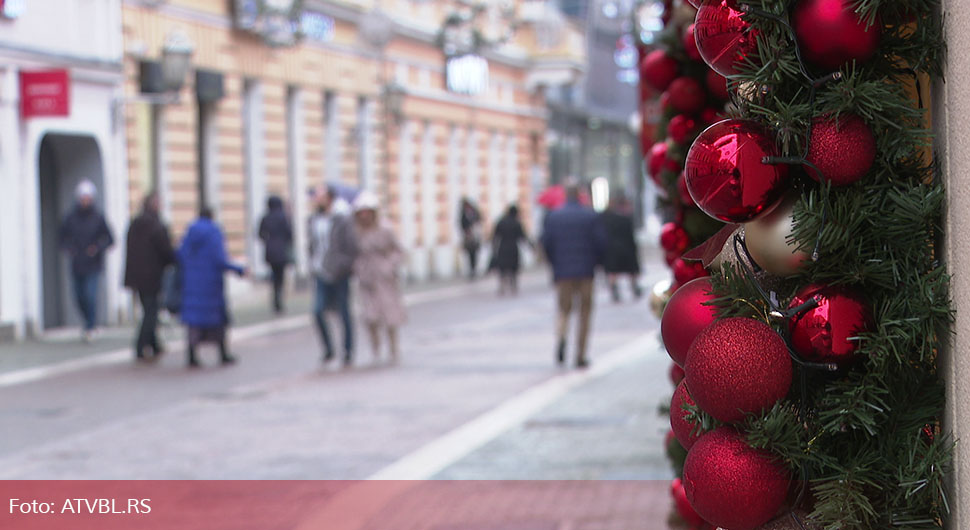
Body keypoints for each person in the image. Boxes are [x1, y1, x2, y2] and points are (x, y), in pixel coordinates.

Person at [540, 181, 607, 369]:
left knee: (563, 310)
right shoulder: (590, 216)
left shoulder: (554, 216)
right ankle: (580, 354)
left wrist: (554, 264)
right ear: (579, 194)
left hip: (563, 273)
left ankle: (561, 337)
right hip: (586, 271)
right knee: (585, 313)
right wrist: (596, 262)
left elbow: (546, 242)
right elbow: (601, 242)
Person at [177, 207, 246, 368]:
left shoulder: (189, 233)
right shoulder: (214, 233)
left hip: (192, 284)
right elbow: (220, 259)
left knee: (194, 322)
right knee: (218, 320)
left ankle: (191, 356)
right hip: (211, 284)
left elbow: (180, 255)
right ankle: (223, 353)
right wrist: (239, 270)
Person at [352, 191, 407, 363]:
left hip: (384, 279)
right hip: (367, 278)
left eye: (368, 211)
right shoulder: (356, 232)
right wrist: (357, 268)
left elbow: (399, 251)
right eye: (361, 212)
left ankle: (393, 348)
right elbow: (354, 253)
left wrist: (389, 266)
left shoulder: (385, 229)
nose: (364, 215)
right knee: (370, 317)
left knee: (390, 315)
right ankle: (375, 349)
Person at [308, 185, 358, 366]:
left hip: (339, 273)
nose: (316, 199)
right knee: (317, 311)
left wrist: (342, 266)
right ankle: (328, 349)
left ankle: (348, 350)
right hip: (320, 271)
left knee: (344, 312)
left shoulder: (342, 220)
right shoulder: (314, 219)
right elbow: (312, 244)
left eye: (320, 196)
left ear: (329, 198)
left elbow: (351, 247)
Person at [59, 180, 114, 342]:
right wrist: (70, 249)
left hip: (93, 264)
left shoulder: (97, 217)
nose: (85, 200)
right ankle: (88, 322)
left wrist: (96, 247)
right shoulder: (70, 218)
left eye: (87, 197)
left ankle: (90, 326)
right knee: (79, 297)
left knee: (90, 295)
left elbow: (109, 239)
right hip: (77, 264)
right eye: (83, 197)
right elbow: (62, 237)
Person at [123, 192, 176, 360]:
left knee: (148, 309)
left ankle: (153, 344)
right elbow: (165, 250)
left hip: (137, 276)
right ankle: (141, 345)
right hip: (152, 275)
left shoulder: (135, 224)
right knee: (151, 312)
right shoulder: (156, 225)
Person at [600, 194, 642, 302]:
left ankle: (615, 290)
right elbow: (631, 236)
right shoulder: (626, 218)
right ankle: (634, 287)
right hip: (626, 247)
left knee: (613, 271)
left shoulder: (605, 218)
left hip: (612, 248)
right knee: (631, 270)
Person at [258, 195, 294, 314]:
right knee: (280, 278)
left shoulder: (266, 217)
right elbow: (289, 234)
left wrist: (269, 240)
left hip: (270, 252)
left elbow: (260, 234)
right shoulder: (282, 217)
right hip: (281, 251)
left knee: (274, 277)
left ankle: (275, 301)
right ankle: (279, 302)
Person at [491, 204, 531, 296]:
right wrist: (530, 246)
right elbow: (522, 236)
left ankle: (501, 287)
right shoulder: (516, 223)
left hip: (503, 247)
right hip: (513, 247)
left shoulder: (501, 221)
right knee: (513, 268)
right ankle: (513, 286)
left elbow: (495, 236)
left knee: (503, 269)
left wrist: (494, 248)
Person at [459, 198, 482, 280]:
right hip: (468, 237)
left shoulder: (474, 212)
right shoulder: (463, 214)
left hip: (475, 235)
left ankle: (474, 268)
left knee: (475, 253)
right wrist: (466, 231)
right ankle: (471, 269)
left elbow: (479, 220)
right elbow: (461, 224)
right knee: (469, 253)